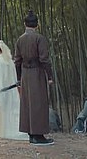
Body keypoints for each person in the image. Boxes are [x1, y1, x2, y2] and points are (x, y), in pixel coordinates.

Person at [14, 9, 55, 145]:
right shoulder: (39, 38)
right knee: (38, 103)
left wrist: (19, 78)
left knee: (27, 103)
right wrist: (49, 76)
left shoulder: (20, 39)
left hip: (25, 74)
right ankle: (38, 135)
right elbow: (44, 59)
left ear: (25, 24)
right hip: (37, 72)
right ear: (37, 25)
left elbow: (17, 61)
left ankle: (31, 134)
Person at [0, 41, 29, 140]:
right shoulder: (10, 61)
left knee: (2, 111)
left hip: (1, 90)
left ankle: (0, 130)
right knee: (12, 110)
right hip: (11, 90)